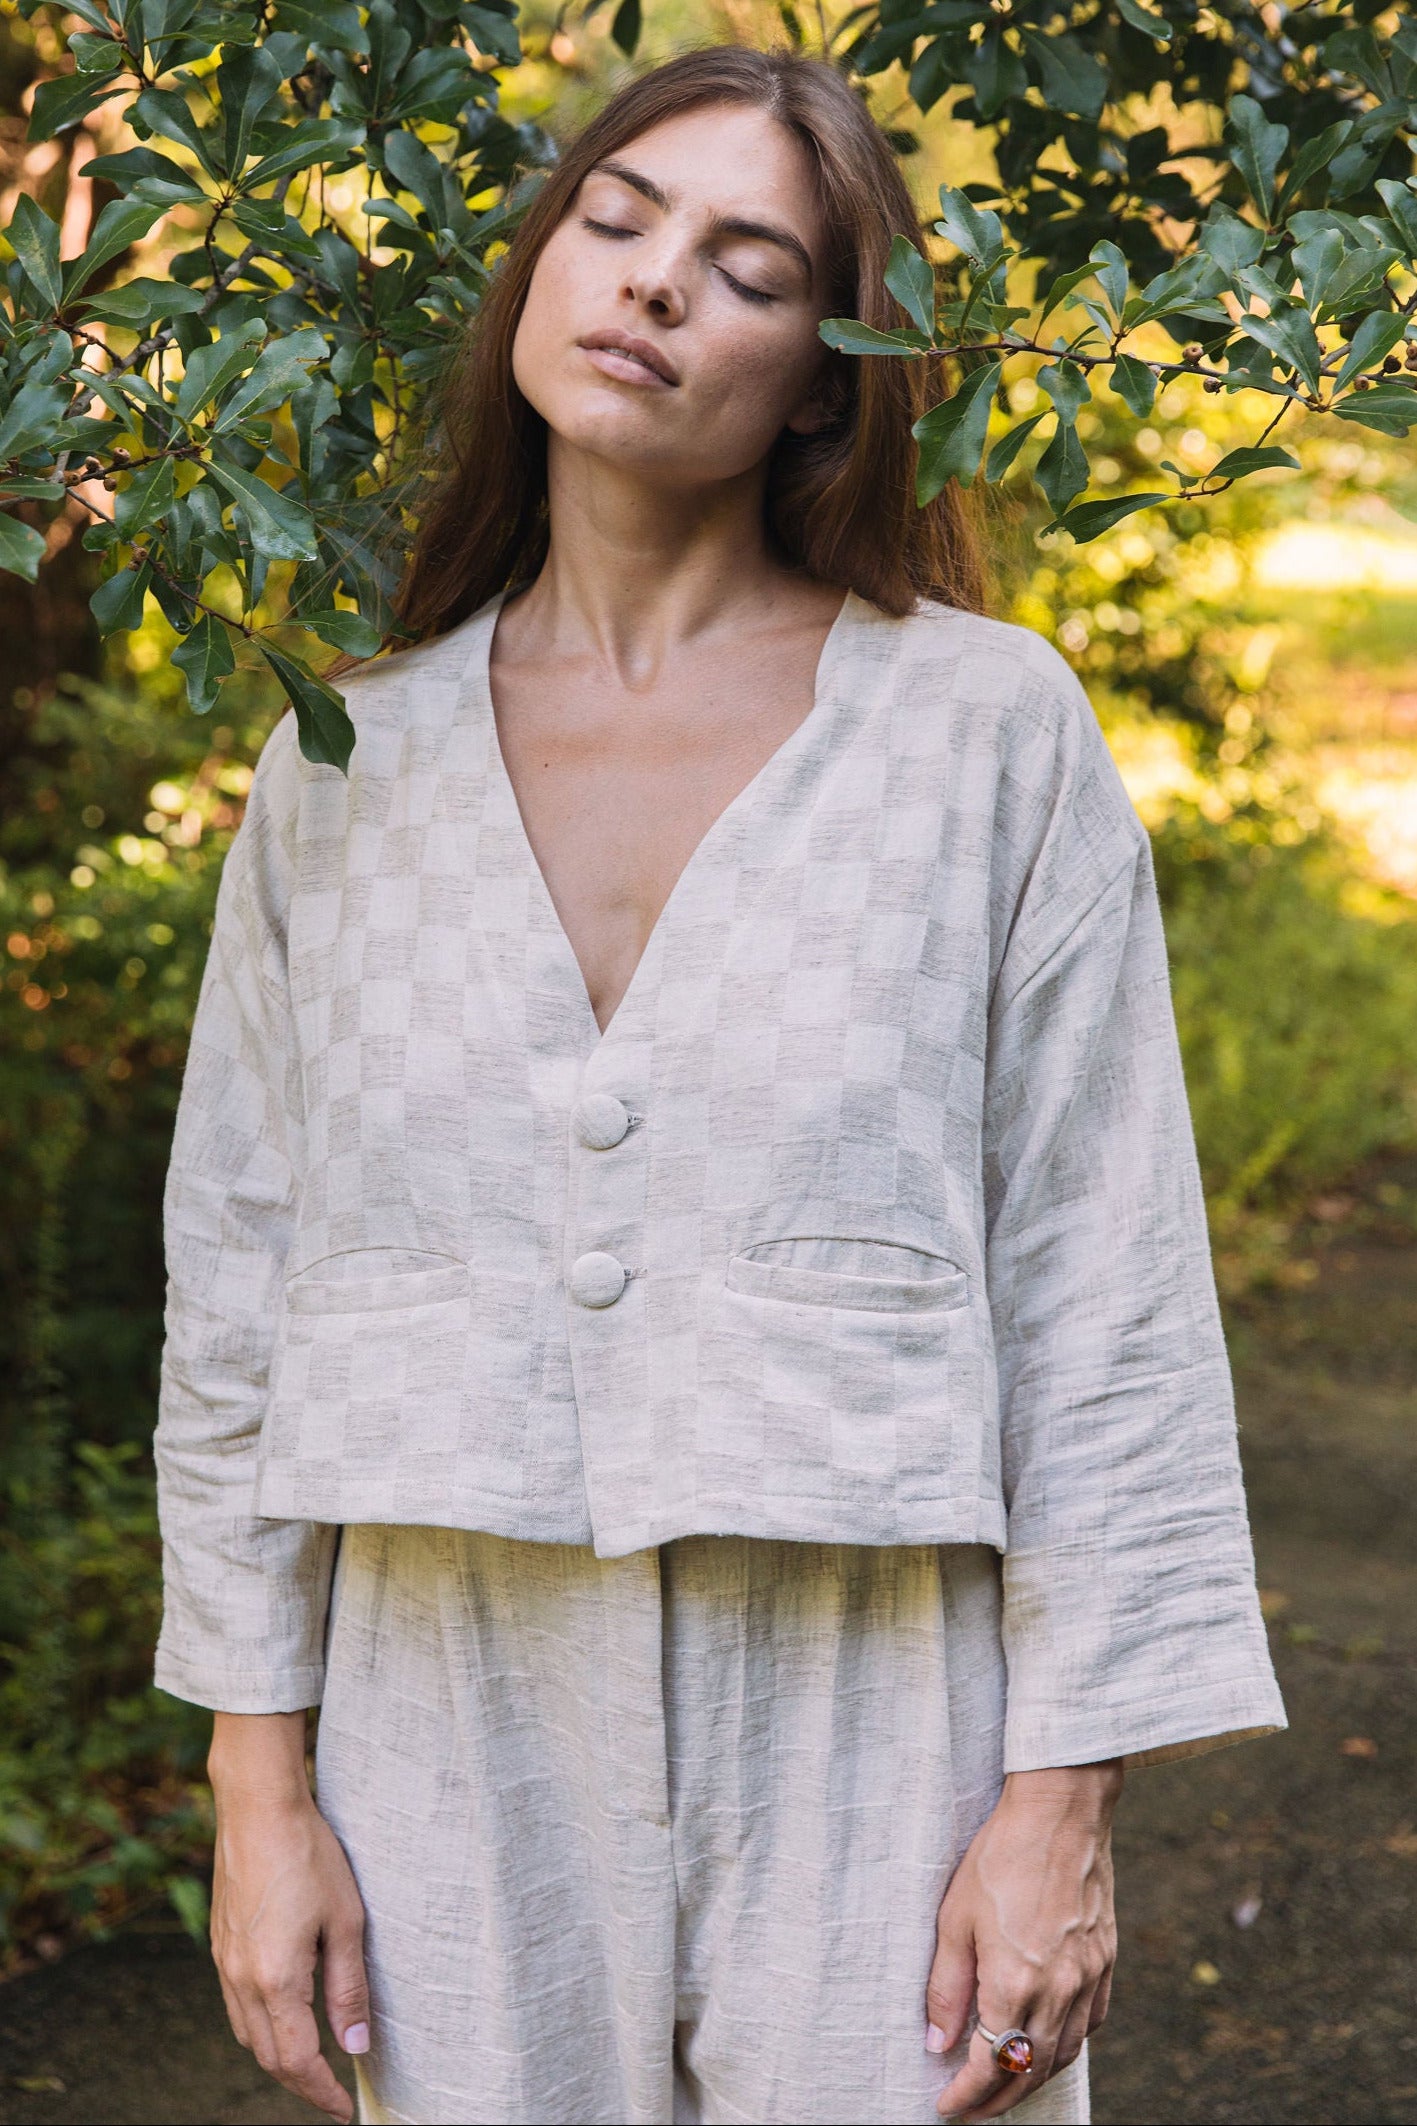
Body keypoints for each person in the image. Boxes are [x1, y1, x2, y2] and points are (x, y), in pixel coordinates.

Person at [153, 45, 1285, 2126]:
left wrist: (1058, 1806)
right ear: (535, 273)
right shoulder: (346, 764)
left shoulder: (981, 735)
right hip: (442, 1692)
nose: (655, 284)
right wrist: (258, 1787)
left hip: (879, 1693)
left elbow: (1098, 1279)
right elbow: (237, 1288)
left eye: (745, 264)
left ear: (826, 377)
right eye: (615, 221)